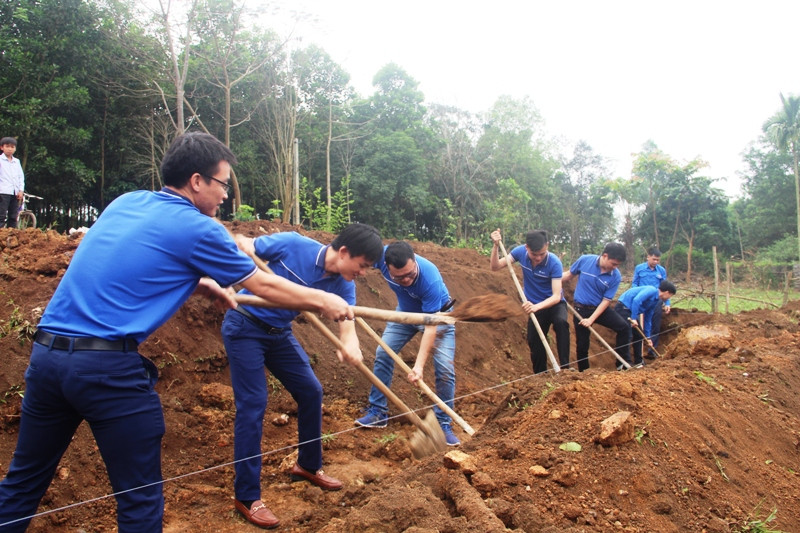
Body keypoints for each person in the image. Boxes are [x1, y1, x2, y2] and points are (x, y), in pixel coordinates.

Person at [0, 132, 355, 533]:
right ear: (197, 181)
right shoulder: (200, 228)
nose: (225, 195)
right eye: (223, 184)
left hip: (47, 358)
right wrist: (323, 300)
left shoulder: (126, 202)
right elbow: (263, 285)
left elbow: (130, 261)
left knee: (22, 483)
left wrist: (199, 284)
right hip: (104, 370)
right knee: (139, 501)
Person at [222, 224, 382, 529]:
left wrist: (351, 345)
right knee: (253, 405)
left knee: (311, 391)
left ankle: (308, 465)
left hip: (279, 333)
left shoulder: (343, 283)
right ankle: (247, 496)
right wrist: (241, 249)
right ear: (344, 252)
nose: (362, 273)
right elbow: (248, 247)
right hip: (244, 326)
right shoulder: (293, 244)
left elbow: (347, 322)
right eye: (362, 265)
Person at [354, 241, 460, 446]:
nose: (406, 280)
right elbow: (356, 261)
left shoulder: (430, 278)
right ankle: (378, 412)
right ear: (386, 266)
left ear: (414, 260)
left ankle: (443, 423)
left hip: (438, 317)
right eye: (399, 277)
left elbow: (430, 327)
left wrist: (418, 367)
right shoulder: (381, 256)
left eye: (410, 274)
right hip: (405, 314)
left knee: (445, 369)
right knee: (383, 353)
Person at [489, 228, 570, 372]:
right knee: (534, 339)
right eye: (534, 254)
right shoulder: (520, 252)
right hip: (534, 305)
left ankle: (565, 369)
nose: (538, 258)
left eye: (542, 254)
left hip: (554, 304)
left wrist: (537, 306)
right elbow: (495, 267)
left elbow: (556, 296)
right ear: (527, 247)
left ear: (547, 246)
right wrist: (495, 246)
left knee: (561, 323)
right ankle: (541, 375)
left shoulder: (554, 263)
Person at [561, 242, 630, 372]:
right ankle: (584, 372)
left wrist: (591, 319)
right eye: (613, 264)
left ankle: (622, 364)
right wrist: (552, 280)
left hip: (599, 309)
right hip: (581, 310)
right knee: (582, 345)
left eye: (617, 265)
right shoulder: (585, 260)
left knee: (624, 327)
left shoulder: (615, 276)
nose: (615, 267)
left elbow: (606, 301)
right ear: (605, 256)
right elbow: (569, 275)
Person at [614, 280, 677, 366]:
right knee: (627, 334)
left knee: (639, 335)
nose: (669, 298)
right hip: (623, 308)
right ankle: (623, 363)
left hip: (630, 312)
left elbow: (648, 318)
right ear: (667, 292)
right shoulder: (651, 290)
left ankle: (639, 362)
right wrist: (634, 318)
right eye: (670, 295)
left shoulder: (655, 301)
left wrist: (648, 337)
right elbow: (636, 300)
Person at [632, 247, 671, 359]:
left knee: (654, 325)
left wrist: (667, 303)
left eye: (658, 260)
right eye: (654, 259)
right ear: (648, 257)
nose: (656, 262)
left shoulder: (661, 270)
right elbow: (635, 283)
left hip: (656, 301)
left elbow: (665, 288)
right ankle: (638, 352)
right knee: (637, 325)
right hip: (641, 300)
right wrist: (636, 294)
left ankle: (651, 351)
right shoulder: (639, 268)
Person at [0, 137, 25, 228]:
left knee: (13, 216)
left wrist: (21, 190)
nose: (10, 149)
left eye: (12, 147)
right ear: (2, 147)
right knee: (1, 215)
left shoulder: (16, 161)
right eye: (7, 146)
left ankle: (11, 234)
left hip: (15, 193)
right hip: (3, 192)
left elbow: (20, 177)